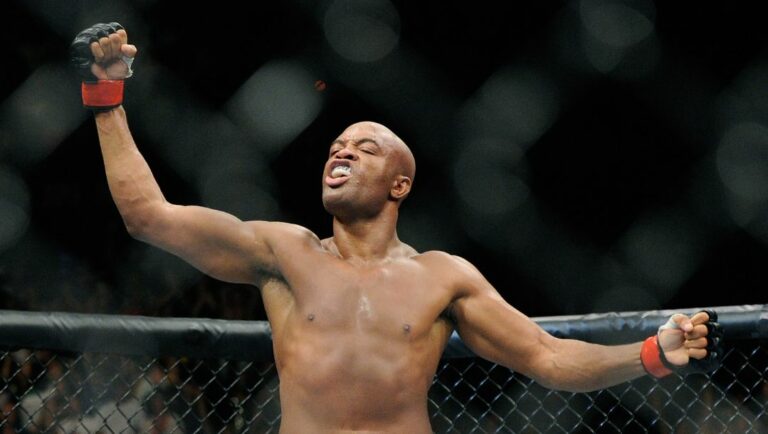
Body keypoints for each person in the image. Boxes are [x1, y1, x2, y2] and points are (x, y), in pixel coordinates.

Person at [70, 23, 723, 433]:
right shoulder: (282, 250)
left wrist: (649, 355)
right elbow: (148, 216)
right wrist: (106, 96)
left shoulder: (444, 276)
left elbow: (548, 358)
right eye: (335, 146)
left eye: (364, 147)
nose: (341, 152)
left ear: (400, 185)